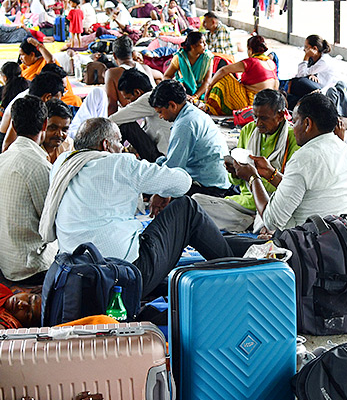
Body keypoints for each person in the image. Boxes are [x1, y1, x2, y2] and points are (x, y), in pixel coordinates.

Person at [43, 117, 242, 299]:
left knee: (169, 278)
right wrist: (164, 188)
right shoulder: (118, 163)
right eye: (119, 142)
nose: (122, 147)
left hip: (78, 274)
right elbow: (182, 183)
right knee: (187, 209)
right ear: (106, 145)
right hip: (123, 273)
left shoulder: (63, 163)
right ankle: (239, 275)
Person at [230, 91, 347, 233]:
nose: (293, 126)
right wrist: (270, 173)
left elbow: (272, 220)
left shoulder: (303, 158)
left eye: (295, 121)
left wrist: (252, 177)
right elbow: (301, 190)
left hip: (313, 247)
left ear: (307, 123)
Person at [0, 96, 55, 284]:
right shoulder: (39, 166)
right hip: (28, 267)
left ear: (14, 126)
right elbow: (51, 223)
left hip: (2, 255)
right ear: (45, 124)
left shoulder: (3, 157)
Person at [149, 80, 230, 194]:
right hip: (218, 180)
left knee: (151, 188)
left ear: (172, 105)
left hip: (209, 187)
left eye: (161, 112)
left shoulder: (184, 124)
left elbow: (173, 169)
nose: (160, 116)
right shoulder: (191, 112)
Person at [226, 88, 298, 211]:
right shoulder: (248, 130)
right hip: (245, 201)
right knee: (198, 202)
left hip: (274, 204)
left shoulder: (294, 138)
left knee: (270, 221)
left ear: (280, 115)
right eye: (255, 116)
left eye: (264, 118)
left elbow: (293, 188)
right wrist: (234, 172)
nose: (258, 123)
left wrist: (263, 174)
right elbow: (236, 182)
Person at [201, 35, 278, 115]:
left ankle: (209, 107)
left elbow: (223, 70)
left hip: (255, 104)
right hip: (272, 103)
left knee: (225, 78)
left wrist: (209, 87)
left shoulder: (252, 62)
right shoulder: (271, 63)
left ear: (250, 49)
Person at [109, 69, 168, 161]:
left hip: (161, 156)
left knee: (126, 125)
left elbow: (112, 119)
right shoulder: (156, 95)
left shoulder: (148, 98)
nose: (128, 102)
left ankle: (109, 156)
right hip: (163, 152)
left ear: (137, 92)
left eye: (128, 98)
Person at [286, 35, 339, 110]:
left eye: (306, 47)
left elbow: (301, 74)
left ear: (314, 48)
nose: (304, 50)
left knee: (297, 82)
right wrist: (311, 74)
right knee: (295, 85)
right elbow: (305, 72)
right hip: (317, 84)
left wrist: (306, 57)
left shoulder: (323, 61)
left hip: (324, 89)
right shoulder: (315, 58)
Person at [162, 31, 214, 98]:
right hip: (181, 91)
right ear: (193, 46)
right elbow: (166, 76)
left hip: (200, 92)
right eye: (201, 42)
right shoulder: (180, 57)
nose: (205, 45)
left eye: (205, 42)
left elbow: (207, 82)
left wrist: (195, 97)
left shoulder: (207, 58)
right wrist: (177, 87)